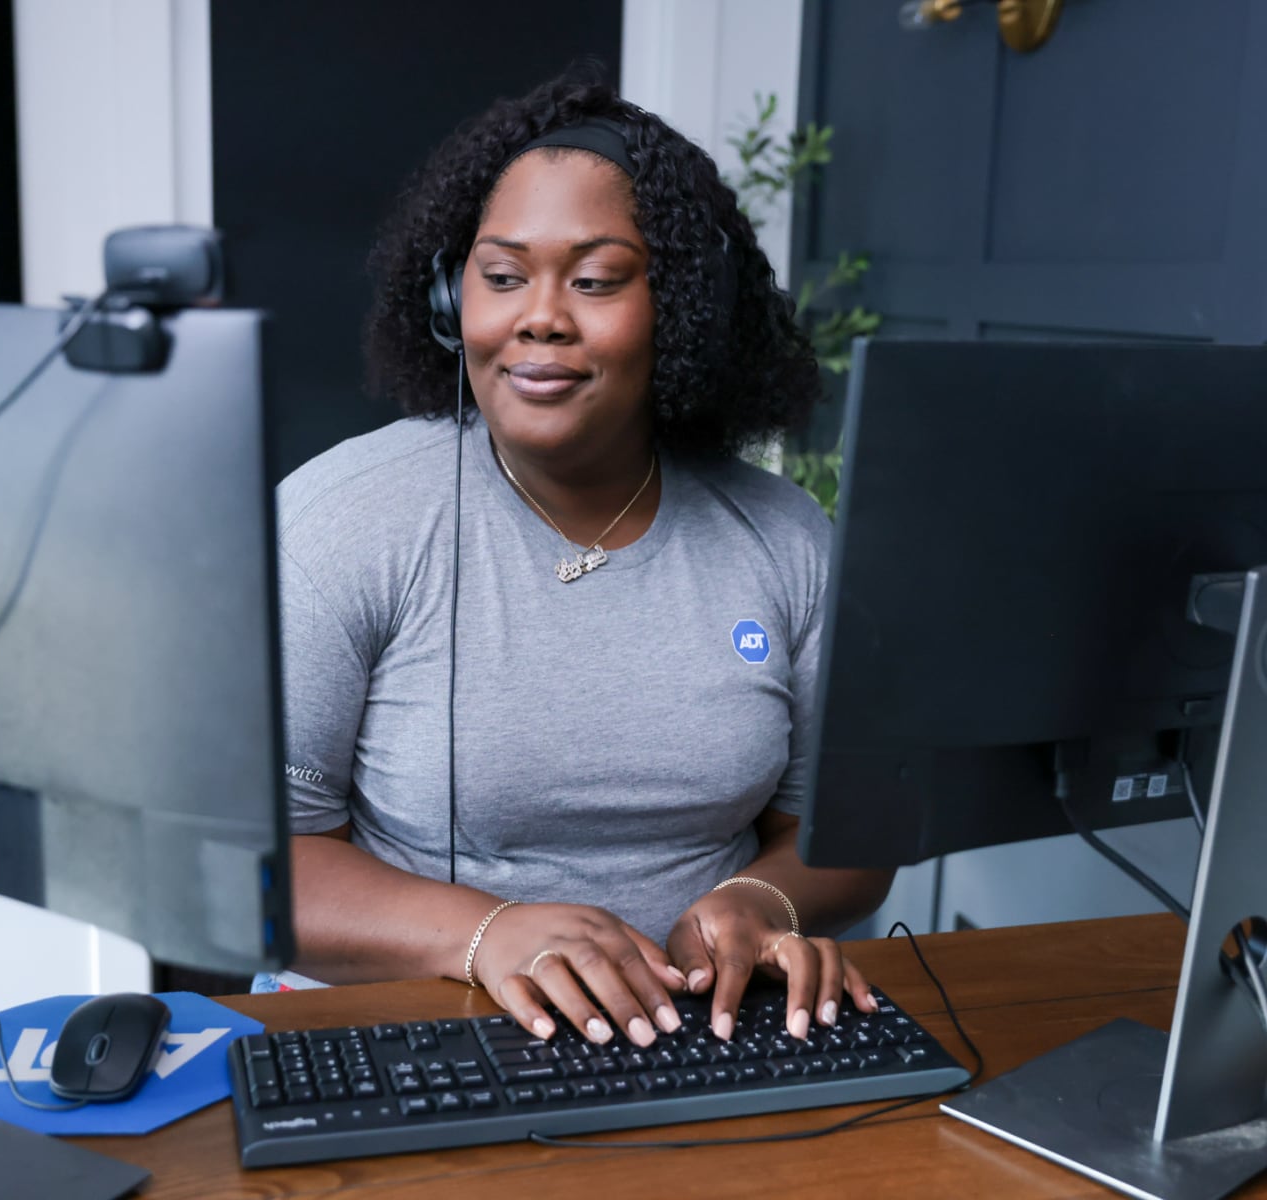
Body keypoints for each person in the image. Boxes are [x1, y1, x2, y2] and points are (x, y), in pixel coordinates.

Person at [268, 72, 894, 1052]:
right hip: (414, 1033)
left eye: (595, 280)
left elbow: (846, 839)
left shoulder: (780, 538)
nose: (540, 318)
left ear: (683, 305)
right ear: (448, 298)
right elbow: (253, 863)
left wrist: (758, 899)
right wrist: (482, 935)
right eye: (502, 275)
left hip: (698, 1034)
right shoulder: (342, 524)